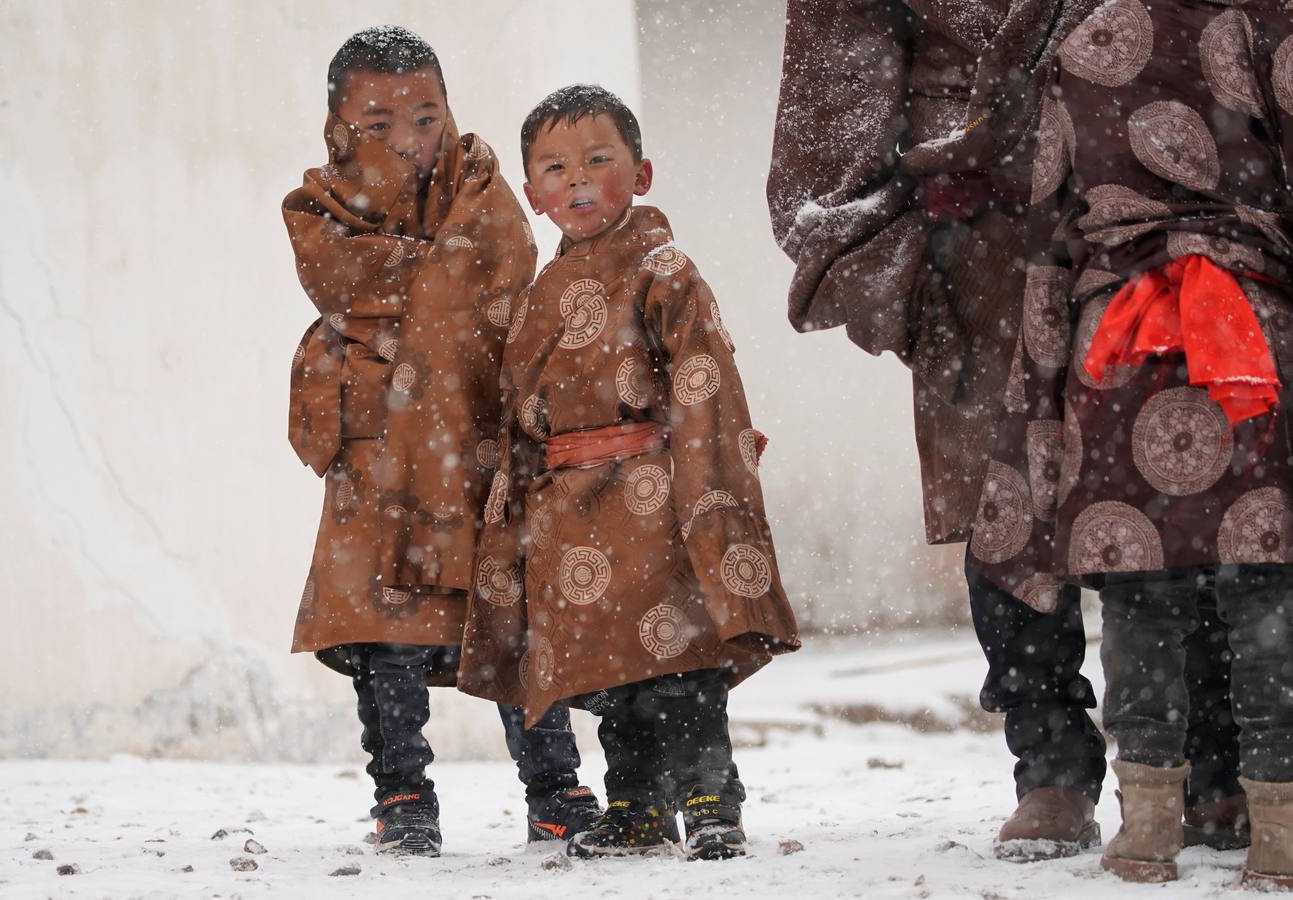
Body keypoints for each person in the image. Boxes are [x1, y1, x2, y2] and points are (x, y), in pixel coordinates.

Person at [767, 0, 1246, 859]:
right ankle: (1052, 765)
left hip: (1153, 219)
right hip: (981, 245)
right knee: (1004, 511)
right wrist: (908, 242)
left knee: (1181, 485)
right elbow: (830, 125)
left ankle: (1211, 761)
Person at [970, 0, 1293, 884]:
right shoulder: (1264, 23)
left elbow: (1047, 239)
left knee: (1140, 592)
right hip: (1246, 337)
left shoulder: (1075, 39)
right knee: (1263, 591)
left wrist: (1034, 401)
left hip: (1112, 344)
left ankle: (1145, 824)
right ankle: (1279, 827)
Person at [456, 84, 800, 861]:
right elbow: (518, 410)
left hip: (651, 494)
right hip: (568, 508)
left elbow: (703, 380)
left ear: (641, 175)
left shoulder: (665, 269)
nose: (576, 180)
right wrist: (512, 508)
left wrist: (707, 486)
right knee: (608, 677)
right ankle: (637, 805)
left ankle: (712, 800)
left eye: (598, 160)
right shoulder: (536, 296)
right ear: (533, 195)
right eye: (553, 167)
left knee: (677, 663)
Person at [281, 27, 597, 856]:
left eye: (425, 117)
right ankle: (402, 796)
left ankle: (556, 789)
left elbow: (499, 270)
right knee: (384, 629)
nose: (408, 140)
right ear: (339, 127)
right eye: (378, 126)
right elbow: (339, 277)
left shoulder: (485, 186)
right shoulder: (317, 202)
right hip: (376, 451)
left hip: (477, 432)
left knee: (511, 617)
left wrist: (404, 321)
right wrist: (436, 291)